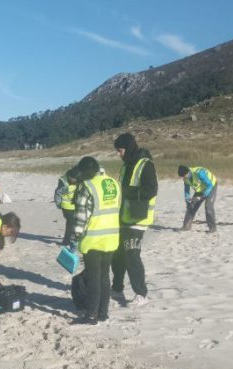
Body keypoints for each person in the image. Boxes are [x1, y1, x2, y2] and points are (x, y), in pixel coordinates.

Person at [67, 156, 120, 324]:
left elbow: (82, 217)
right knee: (105, 277)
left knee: (93, 278)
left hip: (93, 240)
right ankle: (103, 313)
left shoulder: (87, 186)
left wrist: (74, 238)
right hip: (112, 238)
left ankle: (91, 314)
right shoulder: (113, 183)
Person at [111, 132, 157, 308]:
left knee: (132, 255)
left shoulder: (145, 164)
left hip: (138, 219)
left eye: (120, 150)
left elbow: (151, 190)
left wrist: (129, 192)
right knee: (118, 255)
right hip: (123, 218)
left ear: (128, 148)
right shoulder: (126, 165)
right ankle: (117, 288)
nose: (118, 154)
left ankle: (141, 294)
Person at [179, 165, 218, 233]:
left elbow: (209, 185)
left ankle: (212, 228)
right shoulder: (185, 178)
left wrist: (201, 197)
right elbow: (186, 190)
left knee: (208, 207)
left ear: (188, 172)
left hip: (211, 186)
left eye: (184, 176)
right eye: (182, 177)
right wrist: (187, 198)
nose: (184, 178)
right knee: (191, 206)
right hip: (200, 189)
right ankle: (186, 226)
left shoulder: (199, 173)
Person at [53, 167, 80, 246]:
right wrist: (58, 204)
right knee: (70, 224)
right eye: (73, 179)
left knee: (77, 222)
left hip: (76, 206)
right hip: (67, 207)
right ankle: (66, 242)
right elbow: (58, 194)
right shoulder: (64, 184)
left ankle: (74, 238)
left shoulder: (78, 181)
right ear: (70, 177)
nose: (74, 181)